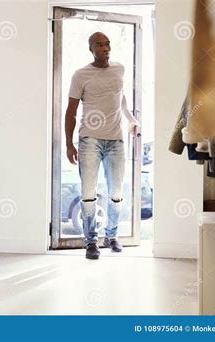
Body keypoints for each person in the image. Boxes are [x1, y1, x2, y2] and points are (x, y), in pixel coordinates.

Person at [65, 32, 140, 260]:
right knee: (88, 194)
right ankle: (90, 241)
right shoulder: (80, 75)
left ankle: (112, 236)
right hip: (90, 141)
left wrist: (131, 119)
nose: (106, 47)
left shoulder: (119, 69)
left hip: (116, 140)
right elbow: (71, 111)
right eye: (100, 44)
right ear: (91, 48)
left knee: (116, 194)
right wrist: (69, 143)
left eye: (108, 44)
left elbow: (120, 98)